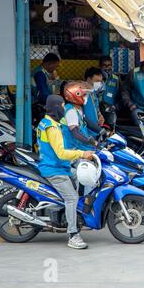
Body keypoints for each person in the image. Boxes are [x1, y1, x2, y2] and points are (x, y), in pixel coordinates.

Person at [37, 95, 94, 249]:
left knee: (78, 176)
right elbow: (61, 153)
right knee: (72, 198)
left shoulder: (46, 122)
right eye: (62, 106)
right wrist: (82, 154)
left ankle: (73, 215)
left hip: (61, 167)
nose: (64, 109)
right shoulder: (52, 128)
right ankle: (73, 234)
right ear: (56, 107)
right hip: (54, 170)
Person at [60, 81, 99, 151]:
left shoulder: (78, 109)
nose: (86, 97)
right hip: (74, 149)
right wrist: (90, 141)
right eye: (83, 95)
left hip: (81, 146)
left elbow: (86, 120)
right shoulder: (71, 111)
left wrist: (101, 131)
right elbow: (75, 133)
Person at [84, 67, 106, 136]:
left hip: (95, 132)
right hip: (85, 133)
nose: (99, 84)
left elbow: (97, 109)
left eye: (100, 81)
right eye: (97, 81)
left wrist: (100, 116)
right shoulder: (81, 93)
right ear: (88, 79)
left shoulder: (93, 93)